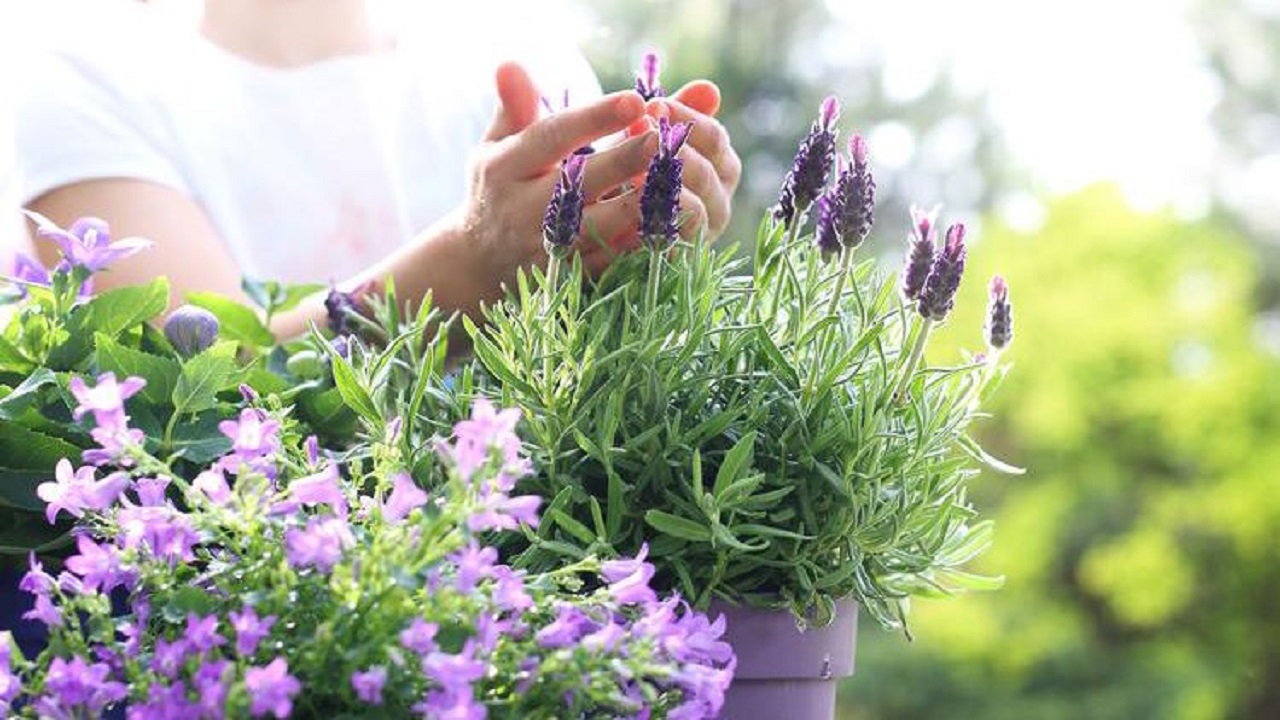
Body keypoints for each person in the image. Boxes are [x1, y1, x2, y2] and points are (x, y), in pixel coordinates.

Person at [14, 0, 740, 337]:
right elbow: (201, 382)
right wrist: (473, 265)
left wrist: (644, 249)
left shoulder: (516, 46)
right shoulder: (87, 79)